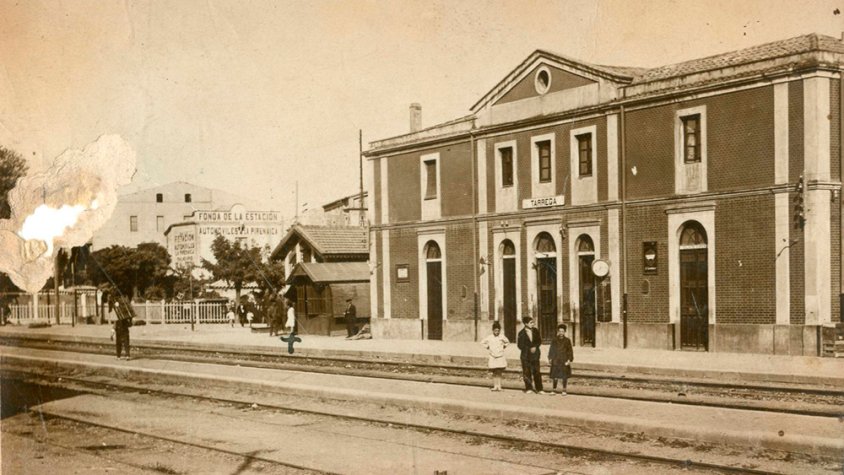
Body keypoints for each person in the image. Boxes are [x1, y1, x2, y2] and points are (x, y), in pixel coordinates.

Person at [517, 316, 544, 393]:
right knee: (526, 372)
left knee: (537, 372)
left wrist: (535, 346)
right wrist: (530, 348)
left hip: (535, 355)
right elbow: (520, 345)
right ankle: (529, 388)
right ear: (526, 324)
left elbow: (539, 341)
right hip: (525, 356)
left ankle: (539, 389)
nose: (533, 324)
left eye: (533, 322)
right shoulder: (521, 333)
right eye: (531, 323)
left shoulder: (535, 331)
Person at [481, 321, 509, 391]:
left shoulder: (502, 336)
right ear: (493, 330)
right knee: (494, 372)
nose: (497, 332)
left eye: (498, 331)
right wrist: (487, 347)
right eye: (495, 330)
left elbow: (507, 342)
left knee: (499, 372)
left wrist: (504, 346)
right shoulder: (490, 337)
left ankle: (499, 386)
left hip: (500, 356)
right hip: (493, 356)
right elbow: (482, 342)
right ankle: (495, 386)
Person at [548, 323, 574, 395]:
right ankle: (554, 389)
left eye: (562, 331)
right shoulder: (554, 340)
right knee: (555, 376)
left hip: (564, 360)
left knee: (564, 376)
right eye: (560, 331)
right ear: (558, 332)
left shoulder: (567, 340)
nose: (561, 333)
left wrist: (569, 360)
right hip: (556, 360)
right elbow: (551, 350)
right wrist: (550, 358)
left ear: (564, 332)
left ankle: (564, 390)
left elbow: (570, 351)